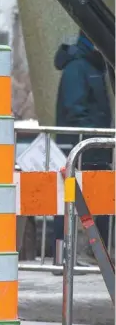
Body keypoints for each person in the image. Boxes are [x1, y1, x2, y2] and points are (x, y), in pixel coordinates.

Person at [52, 31, 113, 264]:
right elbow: (75, 110)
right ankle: (64, 255)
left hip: (91, 147)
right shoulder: (79, 68)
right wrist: (98, 136)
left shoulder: (94, 67)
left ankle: (98, 252)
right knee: (67, 199)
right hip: (81, 148)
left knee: (102, 200)